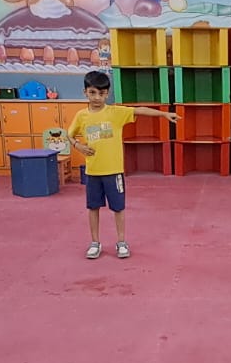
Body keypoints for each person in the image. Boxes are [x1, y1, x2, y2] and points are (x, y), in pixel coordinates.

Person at [68, 70, 179, 259]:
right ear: (85, 92)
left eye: (102, 93)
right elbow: (69, 134)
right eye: (93, 92)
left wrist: (164, 114)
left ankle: (121, 242)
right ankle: (95, 243)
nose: (97, 97)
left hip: (114, 171)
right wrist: (78, 145)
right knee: (93, 207)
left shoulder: (115, 113)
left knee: (118, 208)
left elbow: (140, 110)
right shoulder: (81, 116)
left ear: (107, 93)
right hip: (93, 172)